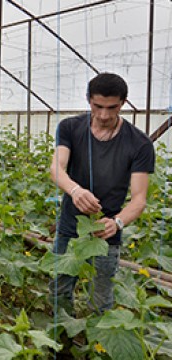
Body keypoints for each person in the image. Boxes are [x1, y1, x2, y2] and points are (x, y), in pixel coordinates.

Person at [49, 73, 155, 316]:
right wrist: (75, 190)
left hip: (107, 233)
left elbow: (139, 199)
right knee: (59, 290)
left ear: (123, 103)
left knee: (101, 300)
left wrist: (117, 222)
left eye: (112, 107)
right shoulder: (70, 128)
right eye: (98, 106)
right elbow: (56, 168)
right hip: (69, 228)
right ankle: (63, 338)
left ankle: (94, 349)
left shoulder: (139, 144)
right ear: (88, 100)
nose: (104, 115)